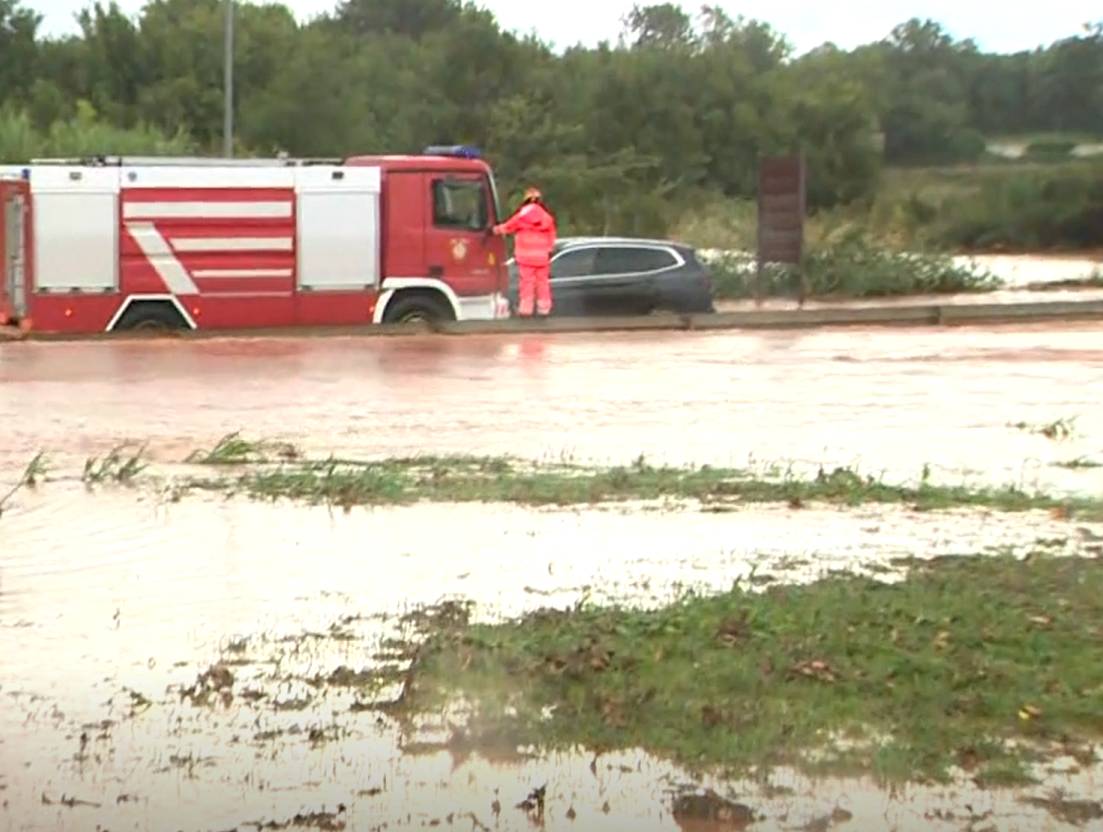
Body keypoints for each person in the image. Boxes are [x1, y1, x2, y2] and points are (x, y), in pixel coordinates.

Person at [492, 187, 557, 318]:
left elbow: (508, 227)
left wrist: (494, 230)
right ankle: (544, 310)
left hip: (525, 257)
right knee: (542, 283)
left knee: (527, 283)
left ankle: (526, 310)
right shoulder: (547, 218)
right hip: (542, 258)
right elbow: (552, 238)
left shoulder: (522, 216)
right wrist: (549, 250)